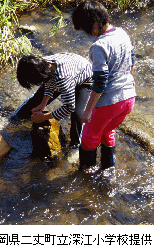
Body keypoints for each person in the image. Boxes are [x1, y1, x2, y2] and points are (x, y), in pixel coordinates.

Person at [71, 1, 136, 174]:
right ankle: (109, 169)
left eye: (87, 29)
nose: (89, 35)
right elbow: (132, 61)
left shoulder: (99, 47)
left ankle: (87, 176)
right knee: (108, 131)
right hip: (129, 98)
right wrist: (129, 83)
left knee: (89, 138)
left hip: (109, 102)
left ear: (95, 22)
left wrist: (87, 111)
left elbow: (100, 83)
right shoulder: (123, 33)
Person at [9, 53, 93, 148]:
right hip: (66, 70)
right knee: (35, 101)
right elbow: (48, 82)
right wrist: (43, 103)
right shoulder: (39, 64)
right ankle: (14, 119)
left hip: (85, 79)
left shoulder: (63, 78)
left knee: (78, 115)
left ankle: (76, 145)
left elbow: (69, 107)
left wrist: (44, 117)